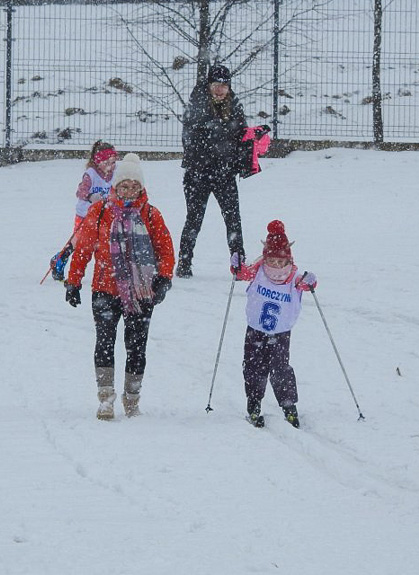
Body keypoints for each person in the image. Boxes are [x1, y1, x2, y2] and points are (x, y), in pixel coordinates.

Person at [64, 153, 175, 420]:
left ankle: (132, 397)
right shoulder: (100, 211)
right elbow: (84, 248)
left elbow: (166, 250)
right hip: (104, 288)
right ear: (115, 186)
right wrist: (74, 280)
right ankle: (106, 397)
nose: (128, 191)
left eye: (134, 186)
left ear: (141, 188)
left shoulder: (150, 215)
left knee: (137, 346)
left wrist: (164, 278)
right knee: (104, 343)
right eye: (123, 185)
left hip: (141, 292)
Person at [230, 220, 317, 428]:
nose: (276, 266)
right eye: (272, 260)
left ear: (288, 259)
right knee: (253, 368)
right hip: (255, 330)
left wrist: (311, 282)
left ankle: (289, 407)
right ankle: (254, 404)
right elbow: (242, 273)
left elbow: (307, 283)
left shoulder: (294, 277)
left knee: (280, 369)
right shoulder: (258, 271)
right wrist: (236, 265)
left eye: (281, 261)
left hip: (280, 333)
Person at [176, 63, 248, 279]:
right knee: (194, 219)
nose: (220, 89)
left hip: (225, 173)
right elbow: (190, 139)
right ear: (208, 85)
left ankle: (239, 265)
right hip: (198, 173)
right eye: (216, 85)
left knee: (233, 219)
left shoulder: (234, 106)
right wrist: (216, 135)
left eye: (224, 85)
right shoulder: (196, 106)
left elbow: (241, 136)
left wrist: (252, 142)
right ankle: (184, 262)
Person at [50, 141, 118, 281]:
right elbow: (80, 191)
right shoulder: (90, 174)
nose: (110, 167)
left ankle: (106, 272)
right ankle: (59, 259)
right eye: (106, 163)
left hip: (104, 215)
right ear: (98, 161)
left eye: (112, 162)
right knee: (79, 243)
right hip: (85, 215)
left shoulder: (116, 173)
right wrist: (90, 196)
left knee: (104, 243)